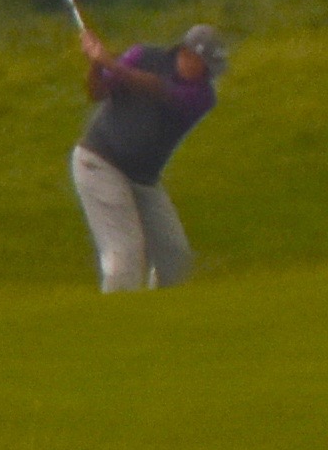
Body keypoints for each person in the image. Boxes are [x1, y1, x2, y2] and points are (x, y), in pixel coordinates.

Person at [71, 22, 226, 292]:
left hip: (143, 178)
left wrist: (112, 63)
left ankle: (160, 320)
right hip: (99, 164)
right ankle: (117, 326)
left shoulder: (201, 96)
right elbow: (96, 92)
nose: (206, 74)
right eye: (204, 64)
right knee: (124, 258)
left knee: (174, 257)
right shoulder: (142, 56)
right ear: (187, 53)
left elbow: (157, 89)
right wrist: (96, 63)